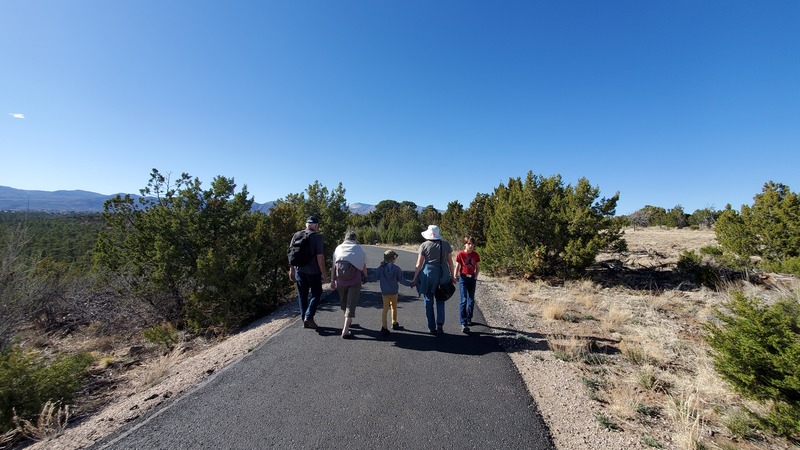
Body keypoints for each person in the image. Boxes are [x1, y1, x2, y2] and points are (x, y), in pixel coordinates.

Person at [411, 225, 454, 335]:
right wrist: (453, 276)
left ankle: (432, 327)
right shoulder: (446, 244)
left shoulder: (424, 245)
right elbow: (450, 262)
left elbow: (419, 264)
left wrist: (415, 278)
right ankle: (440, 323)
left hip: (429, 274)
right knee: (441, 298)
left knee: (428, 300)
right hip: (443, 273)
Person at [289, 216, 327, 329]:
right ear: (315, 226)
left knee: (302, 295)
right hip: (313, 271)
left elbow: (291, 254)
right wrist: (323, 272)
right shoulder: (317, 237)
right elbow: (320, 256)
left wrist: (291, 269)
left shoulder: (297, 235)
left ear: (306, 225)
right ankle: (309, 317)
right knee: (317, 292)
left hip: (299, 271)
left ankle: (304, 319)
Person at [331, 231, 367, 339]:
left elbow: (333, 266)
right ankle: (345, 330)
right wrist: (365, 277)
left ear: (345, 238)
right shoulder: (357, 248)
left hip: (340, 280)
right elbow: (363, 264)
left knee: (344, 301)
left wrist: (332, 280)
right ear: (354, 238)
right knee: (351, 304)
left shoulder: (338, 248)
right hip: (354, 281)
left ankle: (348, 320)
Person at [374, 249, 412, 336]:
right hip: (394, 292)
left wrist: (364, 279)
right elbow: (402, 280)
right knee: (394, 307)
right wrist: (411, 284)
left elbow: (374, 277)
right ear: (393, 258)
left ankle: (384, 327)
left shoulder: (381, 268)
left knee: (385, 309)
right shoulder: (397, 269)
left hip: (385, 293)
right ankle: (394, 323)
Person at [454, 236, 481, 333]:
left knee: (471, 299)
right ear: (465, 244)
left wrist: (476, 276)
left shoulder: (475, 255)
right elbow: (457, 266)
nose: (471, 246)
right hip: (463, 278)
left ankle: (469, 317)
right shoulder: (460, 254)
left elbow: (477, 267)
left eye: (472, 244)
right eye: (469, 243)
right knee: (464, 300)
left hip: (472, 278)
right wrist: (454, 276)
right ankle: (463, 322)